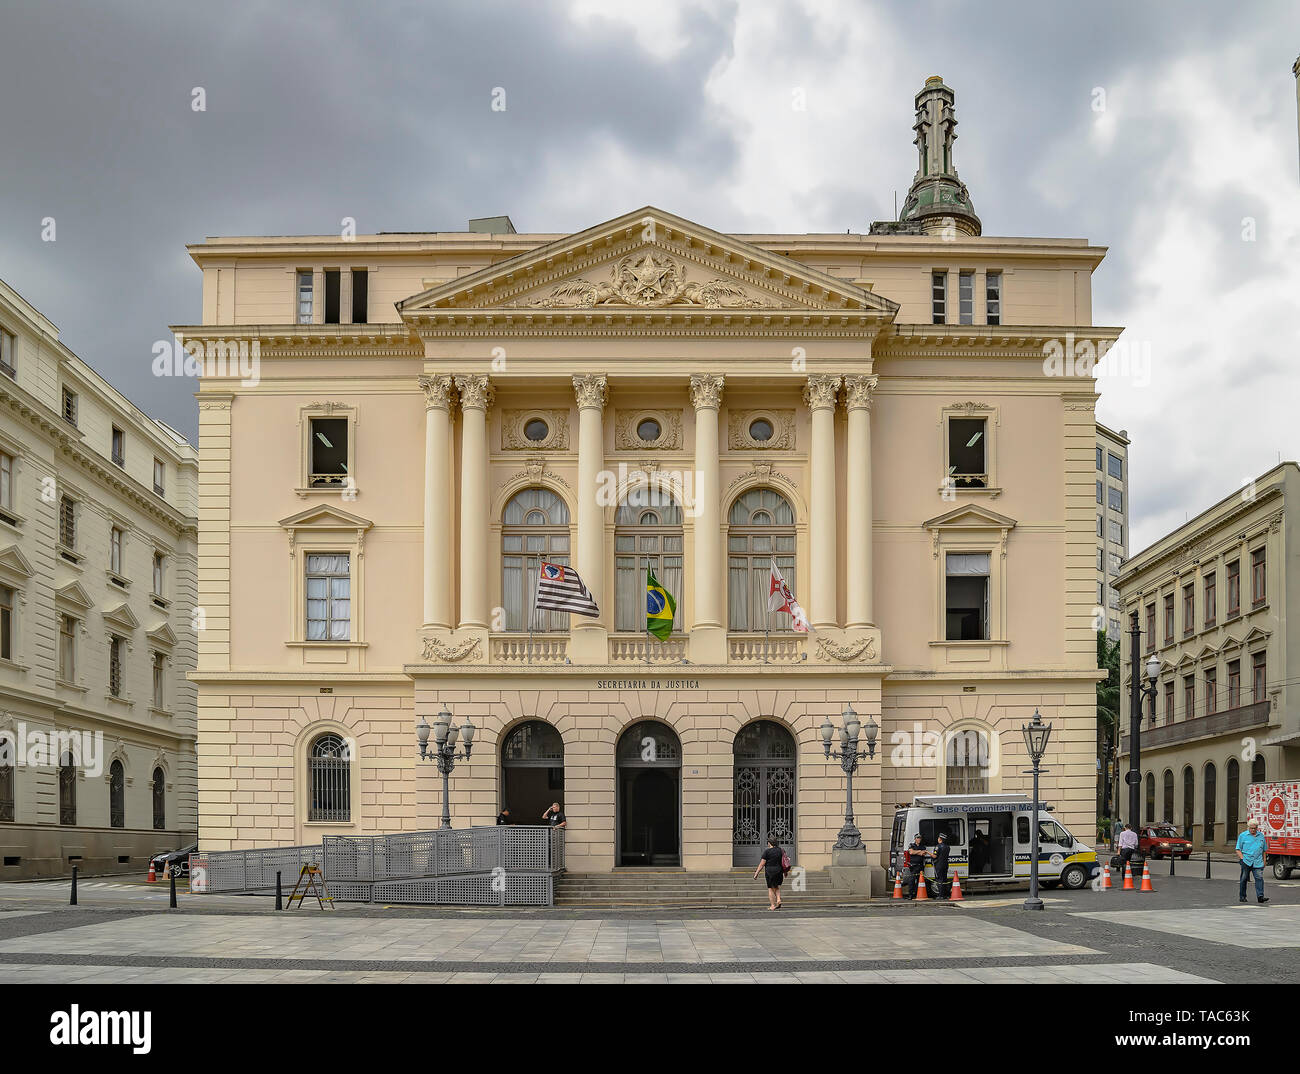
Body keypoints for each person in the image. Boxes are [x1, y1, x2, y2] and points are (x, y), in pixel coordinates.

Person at [1236, 818, 1269, 905]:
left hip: (1258, 862)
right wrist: (1242, 859)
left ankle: (1260, 897)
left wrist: (1264, 860)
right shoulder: (1243, 836)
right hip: (1246, 861)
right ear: (1248, 827)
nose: (1253, 830)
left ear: (1257, 828)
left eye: (1255, 828)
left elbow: (1264, 850)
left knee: (1259, 878)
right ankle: (1242, 897)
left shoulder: (1261, 836)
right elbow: (1238, 849)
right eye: (1251, 828)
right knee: (1243, 879)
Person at [753, 836, 785, 910]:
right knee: (776, 886)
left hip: (770, 871)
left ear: (769, 843)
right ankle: (778, 899)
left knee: (770, 888)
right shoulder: (781, 850)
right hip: (779, 871)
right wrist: (785, 872)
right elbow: (784, 862)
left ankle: (772, 905)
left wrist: (756, 873)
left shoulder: (767, 852)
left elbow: (762, 864)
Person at [904, 833, 931, 900]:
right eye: (917, 838)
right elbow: (911, 852)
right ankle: (910, 895)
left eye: (920, 838)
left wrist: (916, 852)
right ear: (915, 839)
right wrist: (919, 851)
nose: (919, 839)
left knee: (919, 881)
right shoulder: (911, 845)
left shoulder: (923, 846)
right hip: (913, 866)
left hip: (920, 865)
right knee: (911, 881)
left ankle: (917, 894)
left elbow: (923, 853)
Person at [933, 832, 952, 899]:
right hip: (945, 864)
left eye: (938, 838)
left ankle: (940, 895)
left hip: (939, 864)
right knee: (944, 879)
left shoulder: (937, 846)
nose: (938, 839)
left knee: (939, 879)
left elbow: (934, 856)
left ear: (940, 839)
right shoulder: (947, 847)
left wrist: (927, 852)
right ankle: (945, 894)